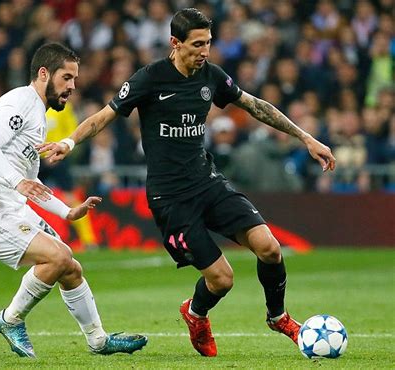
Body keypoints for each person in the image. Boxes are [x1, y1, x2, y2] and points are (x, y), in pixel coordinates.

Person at [38, 9, 336, 357]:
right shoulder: (150, 79)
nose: (204, 51)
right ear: (175, 44)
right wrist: (68, 142)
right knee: (222, 279)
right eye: (197, 44)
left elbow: (254, 105)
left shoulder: (211, 75)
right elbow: (104, 115)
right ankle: (195, 313)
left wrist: (306, 138)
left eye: (208, 43)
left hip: (207, 182)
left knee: (269, 248)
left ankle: (278, 316)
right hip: (171, 199)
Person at [0, 42, 147, 358]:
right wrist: (16, 181)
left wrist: (66, 210)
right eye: (66, 78)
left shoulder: (38, 115)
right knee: (58, 256)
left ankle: (98, 340)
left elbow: (31, 182)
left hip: (10, 207)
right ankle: (10, 319)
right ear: (44, 73)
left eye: (74, 79)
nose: (72, 86)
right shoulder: (18, 103)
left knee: (70, 267)